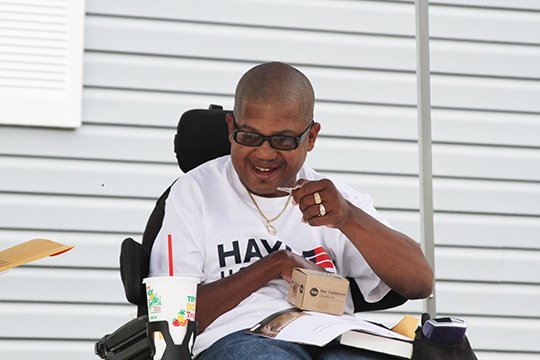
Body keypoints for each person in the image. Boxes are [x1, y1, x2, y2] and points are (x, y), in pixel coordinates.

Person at [149, 62, 433, 359]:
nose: (265, 153)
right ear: (231, 129)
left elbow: (420, 282)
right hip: (240, 339)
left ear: (310, 138)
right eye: (250, 137)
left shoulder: (334, 201)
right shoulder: (194, 193)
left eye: (283, 140)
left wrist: (349, 218)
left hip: (334, 338)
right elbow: (174, 316)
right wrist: (273, 265)